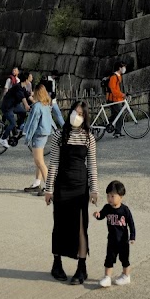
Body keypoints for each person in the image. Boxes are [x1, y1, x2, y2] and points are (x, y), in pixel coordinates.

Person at [44, 101, 98, 285]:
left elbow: (92, 165)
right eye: (75, 112)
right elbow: (53, 163)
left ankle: (81, 268)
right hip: (62, 185)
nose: (77, 115)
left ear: (86, 117)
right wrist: (48, 189)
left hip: (80, 186)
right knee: (59, 225)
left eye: (81, 113)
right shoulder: (59, 135)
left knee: (81, 226)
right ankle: (56, 264)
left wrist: (94, 189)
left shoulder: (89, 137)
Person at [94, 180, 136, 287]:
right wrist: (97, 215)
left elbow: (131, 224)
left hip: (123, 241)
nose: (109, 199)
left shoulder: (125, 210)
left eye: (112, 196)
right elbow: (102, 216)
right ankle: (107, 277)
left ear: (120, 196)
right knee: (109, 259)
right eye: (108, 196)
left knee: (124, 259)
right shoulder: (107, 208)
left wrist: (132, 236)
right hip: (112, 240)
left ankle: (126, 276)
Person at [22, 83, 55, 194]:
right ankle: (37, 182)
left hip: (38, 134)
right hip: (45, 133)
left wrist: (27, 137)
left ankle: (48, 186)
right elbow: (51, 120)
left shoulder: (36, 106)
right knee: (39, 161)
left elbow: (32, 123)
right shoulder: (46, 104)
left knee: (39, 161)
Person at [0, 75, 31, 148]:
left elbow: (28, 96)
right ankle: (3, 139)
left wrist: (37, 103)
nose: (30, 81)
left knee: (23, 112)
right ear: (26, 80)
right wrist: (26, 105)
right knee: (12, 123)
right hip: (7, 107)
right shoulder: (17, 87)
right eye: (29, 79)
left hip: (14, 106)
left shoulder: (23, 88)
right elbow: (23, 98)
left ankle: (20, 126)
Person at [104, 64, 127, 136]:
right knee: (119, 114)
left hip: (115, 99)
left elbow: (117, 89)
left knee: (115, 115)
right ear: (119, 68)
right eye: (123, 67)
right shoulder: (114, 77)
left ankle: (108, 126)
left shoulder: (118, 76)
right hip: (112, 99)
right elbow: (114, 90)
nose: (124, 68)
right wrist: (122, 95)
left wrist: (121, 96)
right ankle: (117, 131)